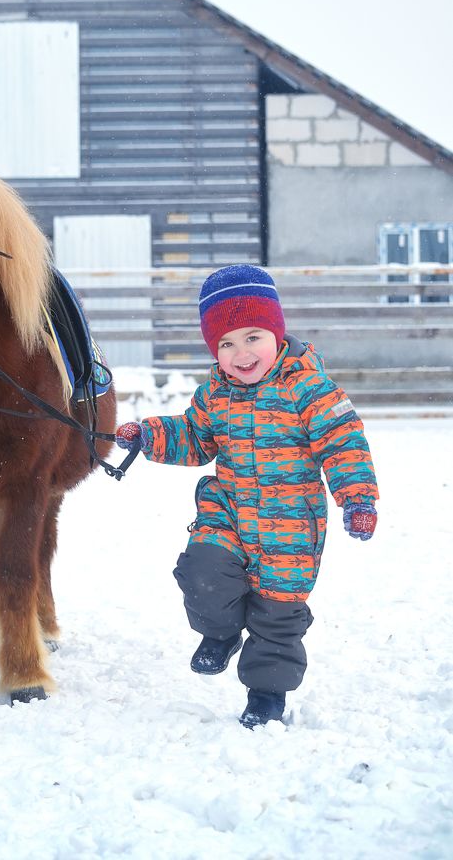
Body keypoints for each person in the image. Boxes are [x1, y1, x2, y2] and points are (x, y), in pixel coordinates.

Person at [116, 264, 378, 728]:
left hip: (292, 524)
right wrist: (149, 435)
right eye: (226, 344)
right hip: (229, 512)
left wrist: (357, 499)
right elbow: (195, 438)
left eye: (252, 336)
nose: (240, 353)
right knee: (202, 574)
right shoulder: (214, 394)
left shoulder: (310, 388)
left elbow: (344, 442)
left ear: (277, 333)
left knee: (278, 613)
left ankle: (266, 693)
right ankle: (219, 633)